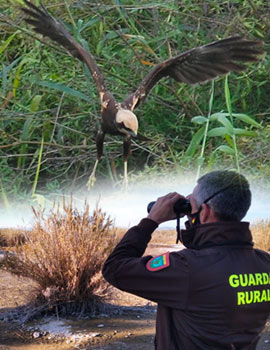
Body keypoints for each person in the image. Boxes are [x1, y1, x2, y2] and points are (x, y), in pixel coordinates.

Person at [102, 170, 270, 350]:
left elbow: (115, 268)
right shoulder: (264, 263)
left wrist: (151, 220)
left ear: (204, 213)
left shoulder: (187, 268)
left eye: (192, 206)